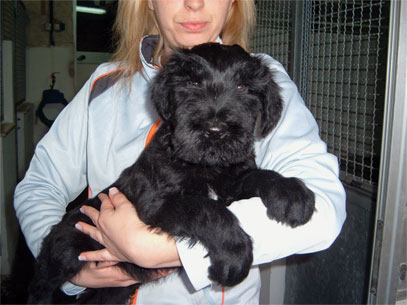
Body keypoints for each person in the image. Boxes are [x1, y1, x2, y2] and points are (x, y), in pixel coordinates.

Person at [14, 0, 346, 304]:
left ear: (233, 3)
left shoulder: (264, 79)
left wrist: (154, 249)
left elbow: (324, 211)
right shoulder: (104, 84)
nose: (195, 3)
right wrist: (74, 272)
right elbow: (39, 186)